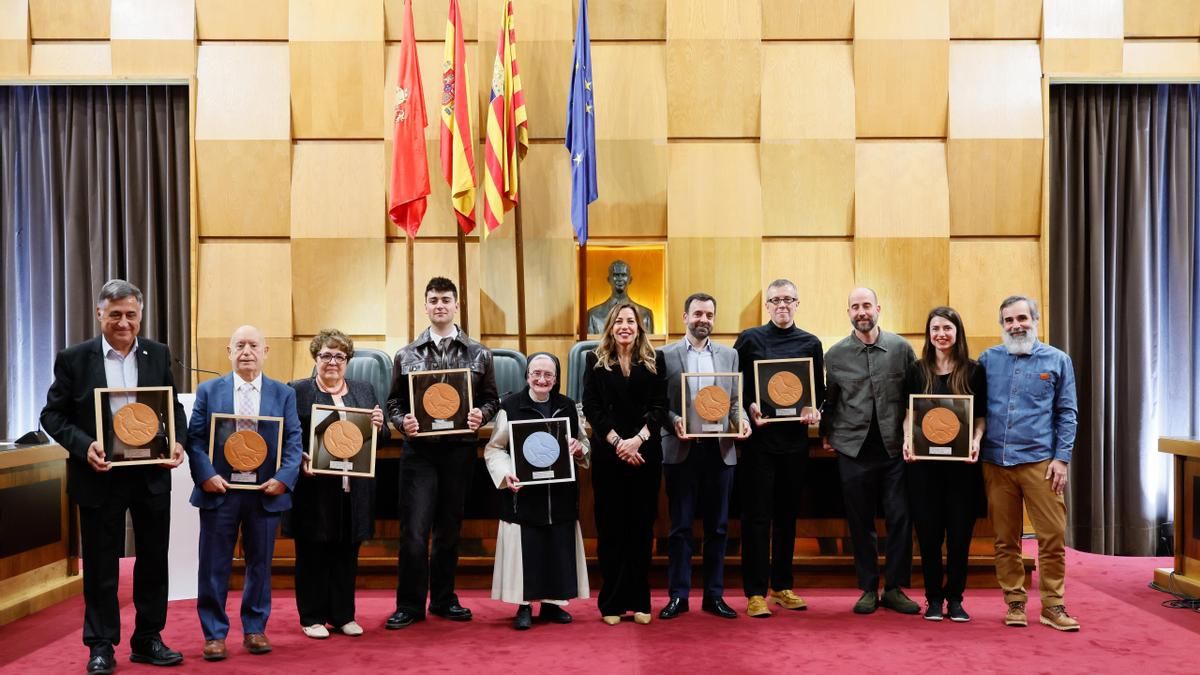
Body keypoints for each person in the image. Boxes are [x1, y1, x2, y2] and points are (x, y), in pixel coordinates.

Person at [40, 279, 186, 674]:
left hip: (151, 475)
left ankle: (148, 639)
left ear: (141, 316)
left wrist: (177, 443)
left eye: (131, 315)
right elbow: (52, 415)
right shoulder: (74, 358)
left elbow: (173, 409)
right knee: (102, 565)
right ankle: (101, 645)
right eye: (116, 314)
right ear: (100, 314)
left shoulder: (157, 354)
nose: (124, 322)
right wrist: (85, 444)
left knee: (154, 561)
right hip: (99, 475)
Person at [385, 277, 500, 629]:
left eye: (446, 299)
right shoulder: (405, 355)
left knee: (450, 530)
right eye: (433, 299)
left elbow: (492, 399)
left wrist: (483, 415)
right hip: (419, 454)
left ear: (456, 306)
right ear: (425, 306)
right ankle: (409, 604)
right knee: (415, 532)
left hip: (459, 452)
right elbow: (393, 403)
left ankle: (444, 599)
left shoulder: (479, 353)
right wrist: (403, 422)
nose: (439, 305)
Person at [185, 325, 303, 661]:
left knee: (260, 564)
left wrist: (283, 478)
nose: (247, 351)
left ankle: (255, 629)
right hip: (219, 491)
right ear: (229, 351)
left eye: (254, 345)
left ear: (266, 352)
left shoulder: (284, 394)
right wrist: (205, 475)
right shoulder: (208, 391)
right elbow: (194, 440)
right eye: (240, 345)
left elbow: (294, 441)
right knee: (213, 564)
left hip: (265, 492)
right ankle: (214, 635)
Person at [977, 295, 1079, 631]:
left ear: (1035, 320)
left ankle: (1053, 606)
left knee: (1051, 538)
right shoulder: (987, 361)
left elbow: (1067, 413)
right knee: (1006, 540)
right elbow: (972, 409)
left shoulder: (1058, 360)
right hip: (996, 463)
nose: (1016, 325)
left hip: (1041, 463)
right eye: (1008, 320)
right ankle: (1015, 603)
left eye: (1022, 318)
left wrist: (1062, 459)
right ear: (1002, 325)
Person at [820, 287, 920, 615]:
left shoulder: (901, 349)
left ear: (878, 308)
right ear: (848, 312)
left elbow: (914, 398)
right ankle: (867, 587)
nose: (861, 312)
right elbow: (829, 400)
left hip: (894, 449)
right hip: (852, 449)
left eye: (866, 305)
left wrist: (914, 437)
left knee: (900, 518)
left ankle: (893, 588)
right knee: (860, 521)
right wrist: (825, 432)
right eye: (854, 307)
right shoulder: (835, 355)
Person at [284, 329, 387, 639]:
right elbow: (287, 439)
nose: (332, 362)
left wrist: (380, 428)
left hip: (352, 488)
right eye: (326, 355)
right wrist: (300, 458)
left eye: (339, 356)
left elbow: (379, 442)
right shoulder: (297, 391)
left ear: (348, 361)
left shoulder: (365, 391)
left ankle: (343, 615)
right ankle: (311, 616)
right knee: (313, 551)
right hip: (314, 489)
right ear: (316, 358)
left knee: (347, 550)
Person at [732, 279, 824, 618]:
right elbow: (734, 386)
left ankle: (783, 586)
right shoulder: (750, 339)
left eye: (788, 299)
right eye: (775, 300)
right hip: (758, 444)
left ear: (797, 303)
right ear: (767, 306)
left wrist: (815, 411)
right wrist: (748, 407)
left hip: (795, 444)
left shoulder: (811, 343)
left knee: (787, 517)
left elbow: (820, 392)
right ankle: (755, 592)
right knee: (756, 518)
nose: (781, 304)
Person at [658, 293, 749, 621]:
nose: (703, 319)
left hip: (720, 451)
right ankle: (678, 596)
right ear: (684, 317)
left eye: (709, 314)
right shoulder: (664, 356)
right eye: (697, 313)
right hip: (681, 450)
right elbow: (659, 406)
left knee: (719, 528)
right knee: (680, 527)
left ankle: (714, 595)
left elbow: (735, 401)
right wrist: (674, 420)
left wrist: (744, 424)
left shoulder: (730, 355)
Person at [483, 353, 591, 630]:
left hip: (560, 494)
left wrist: (580, 450)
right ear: (527, 375)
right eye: (536, 373)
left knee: (556, 544)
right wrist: (506, 473)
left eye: (548, 375)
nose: (542, 379)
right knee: (528, 547)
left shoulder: (567, 406)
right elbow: (495, 448)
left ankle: (553, 603)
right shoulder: (511, 406)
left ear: (556, 379)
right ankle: (524, 605)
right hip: (524, 495)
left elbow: (583, 444)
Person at [583, 303, 668, 625]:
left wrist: (638, 440)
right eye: (619, 321)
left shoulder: (655, 360)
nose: (625, 326)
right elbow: (591, 407)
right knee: (611, 530)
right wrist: (619, 442)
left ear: (640, 326)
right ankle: (612, 604)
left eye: (630, 321)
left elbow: (661, 406)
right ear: (610, 326)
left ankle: (640, 601)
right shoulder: (595, 360)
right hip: (610, 455)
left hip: (645, 455)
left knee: (641, 529)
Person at [900, 307, 987, 622]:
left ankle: (957, 600)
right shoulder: (916, 370)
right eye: (935, 328)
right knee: (929, 536)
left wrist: (976, 440)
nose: (941, 334)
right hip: (923, 469)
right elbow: (910, 414)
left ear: (957, 332)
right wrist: (908, 440)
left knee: (960, 537)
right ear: (929, 333)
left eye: (947, 328)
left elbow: (979, 418)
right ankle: (934, 599)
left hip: (962, 470)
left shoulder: (974, 371)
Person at [586, 260, 655, 334]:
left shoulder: (645, 315)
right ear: (609, 279)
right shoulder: (593, 315)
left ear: (630, 279)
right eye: (616, 275)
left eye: (624, 275)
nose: (620, 279)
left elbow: (648, 344)